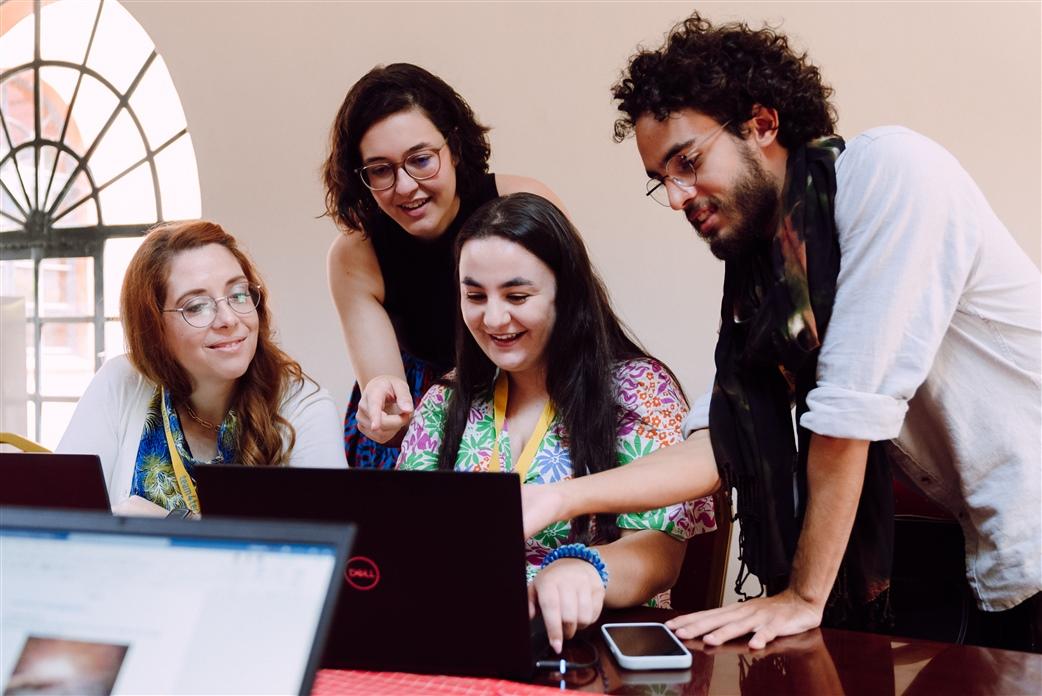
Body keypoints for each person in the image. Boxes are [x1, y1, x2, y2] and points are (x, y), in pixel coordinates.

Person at [522, 13, 1041, 652]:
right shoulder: (763, 274)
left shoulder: (893, 174)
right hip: (982, 550)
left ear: (762, 123)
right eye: (663, 180)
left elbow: (849, 415)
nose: (680, 194)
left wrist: (802, 599)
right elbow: (719, 446)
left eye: (688, 161)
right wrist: (556, 499)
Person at [396, 192, 716, 652]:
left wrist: (585, 567)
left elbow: (659, 556)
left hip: (588, 649)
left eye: (517, 295)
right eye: (474, 296)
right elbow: (405, 539)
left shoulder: (636, 390)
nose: (493, 317)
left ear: (565, 293)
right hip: (456, 638)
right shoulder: (445, 402)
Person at [323, 63, 564, 468]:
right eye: (380, 170)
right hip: (423, 411)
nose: (404, 187)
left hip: (535, 386)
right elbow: (389, 389)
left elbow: (573, 325)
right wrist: (390, 409)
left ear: (453, 147)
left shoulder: (523, 202)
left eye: (420, 160)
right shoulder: (355, 254)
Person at [58, 220, 345, 516]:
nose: (229, 319)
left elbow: (325, 548)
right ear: (153, 325)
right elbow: (57, 518)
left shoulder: (305, 407)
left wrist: (176, 524)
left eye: (238, 294)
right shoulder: (122, 382)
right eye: (196, 306)